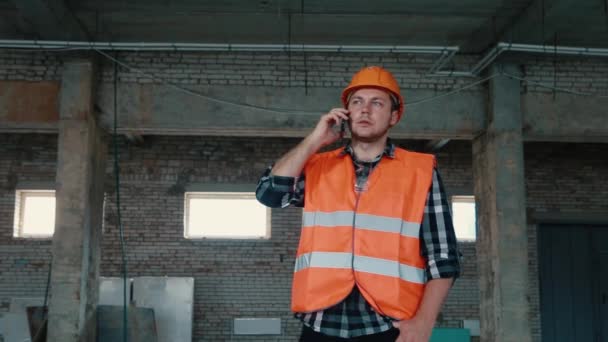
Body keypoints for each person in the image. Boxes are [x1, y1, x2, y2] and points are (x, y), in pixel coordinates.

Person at [256, 66, 460, 342]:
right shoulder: (317, 166)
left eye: (377, 103)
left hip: (389, 326)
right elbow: (269, 193)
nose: (365, 110)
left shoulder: (420, 172)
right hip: (321, 323)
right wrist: (315, 139)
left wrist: (424, 323)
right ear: (346, 113)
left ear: (394, 116)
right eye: (357, 102)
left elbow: (444, 257)